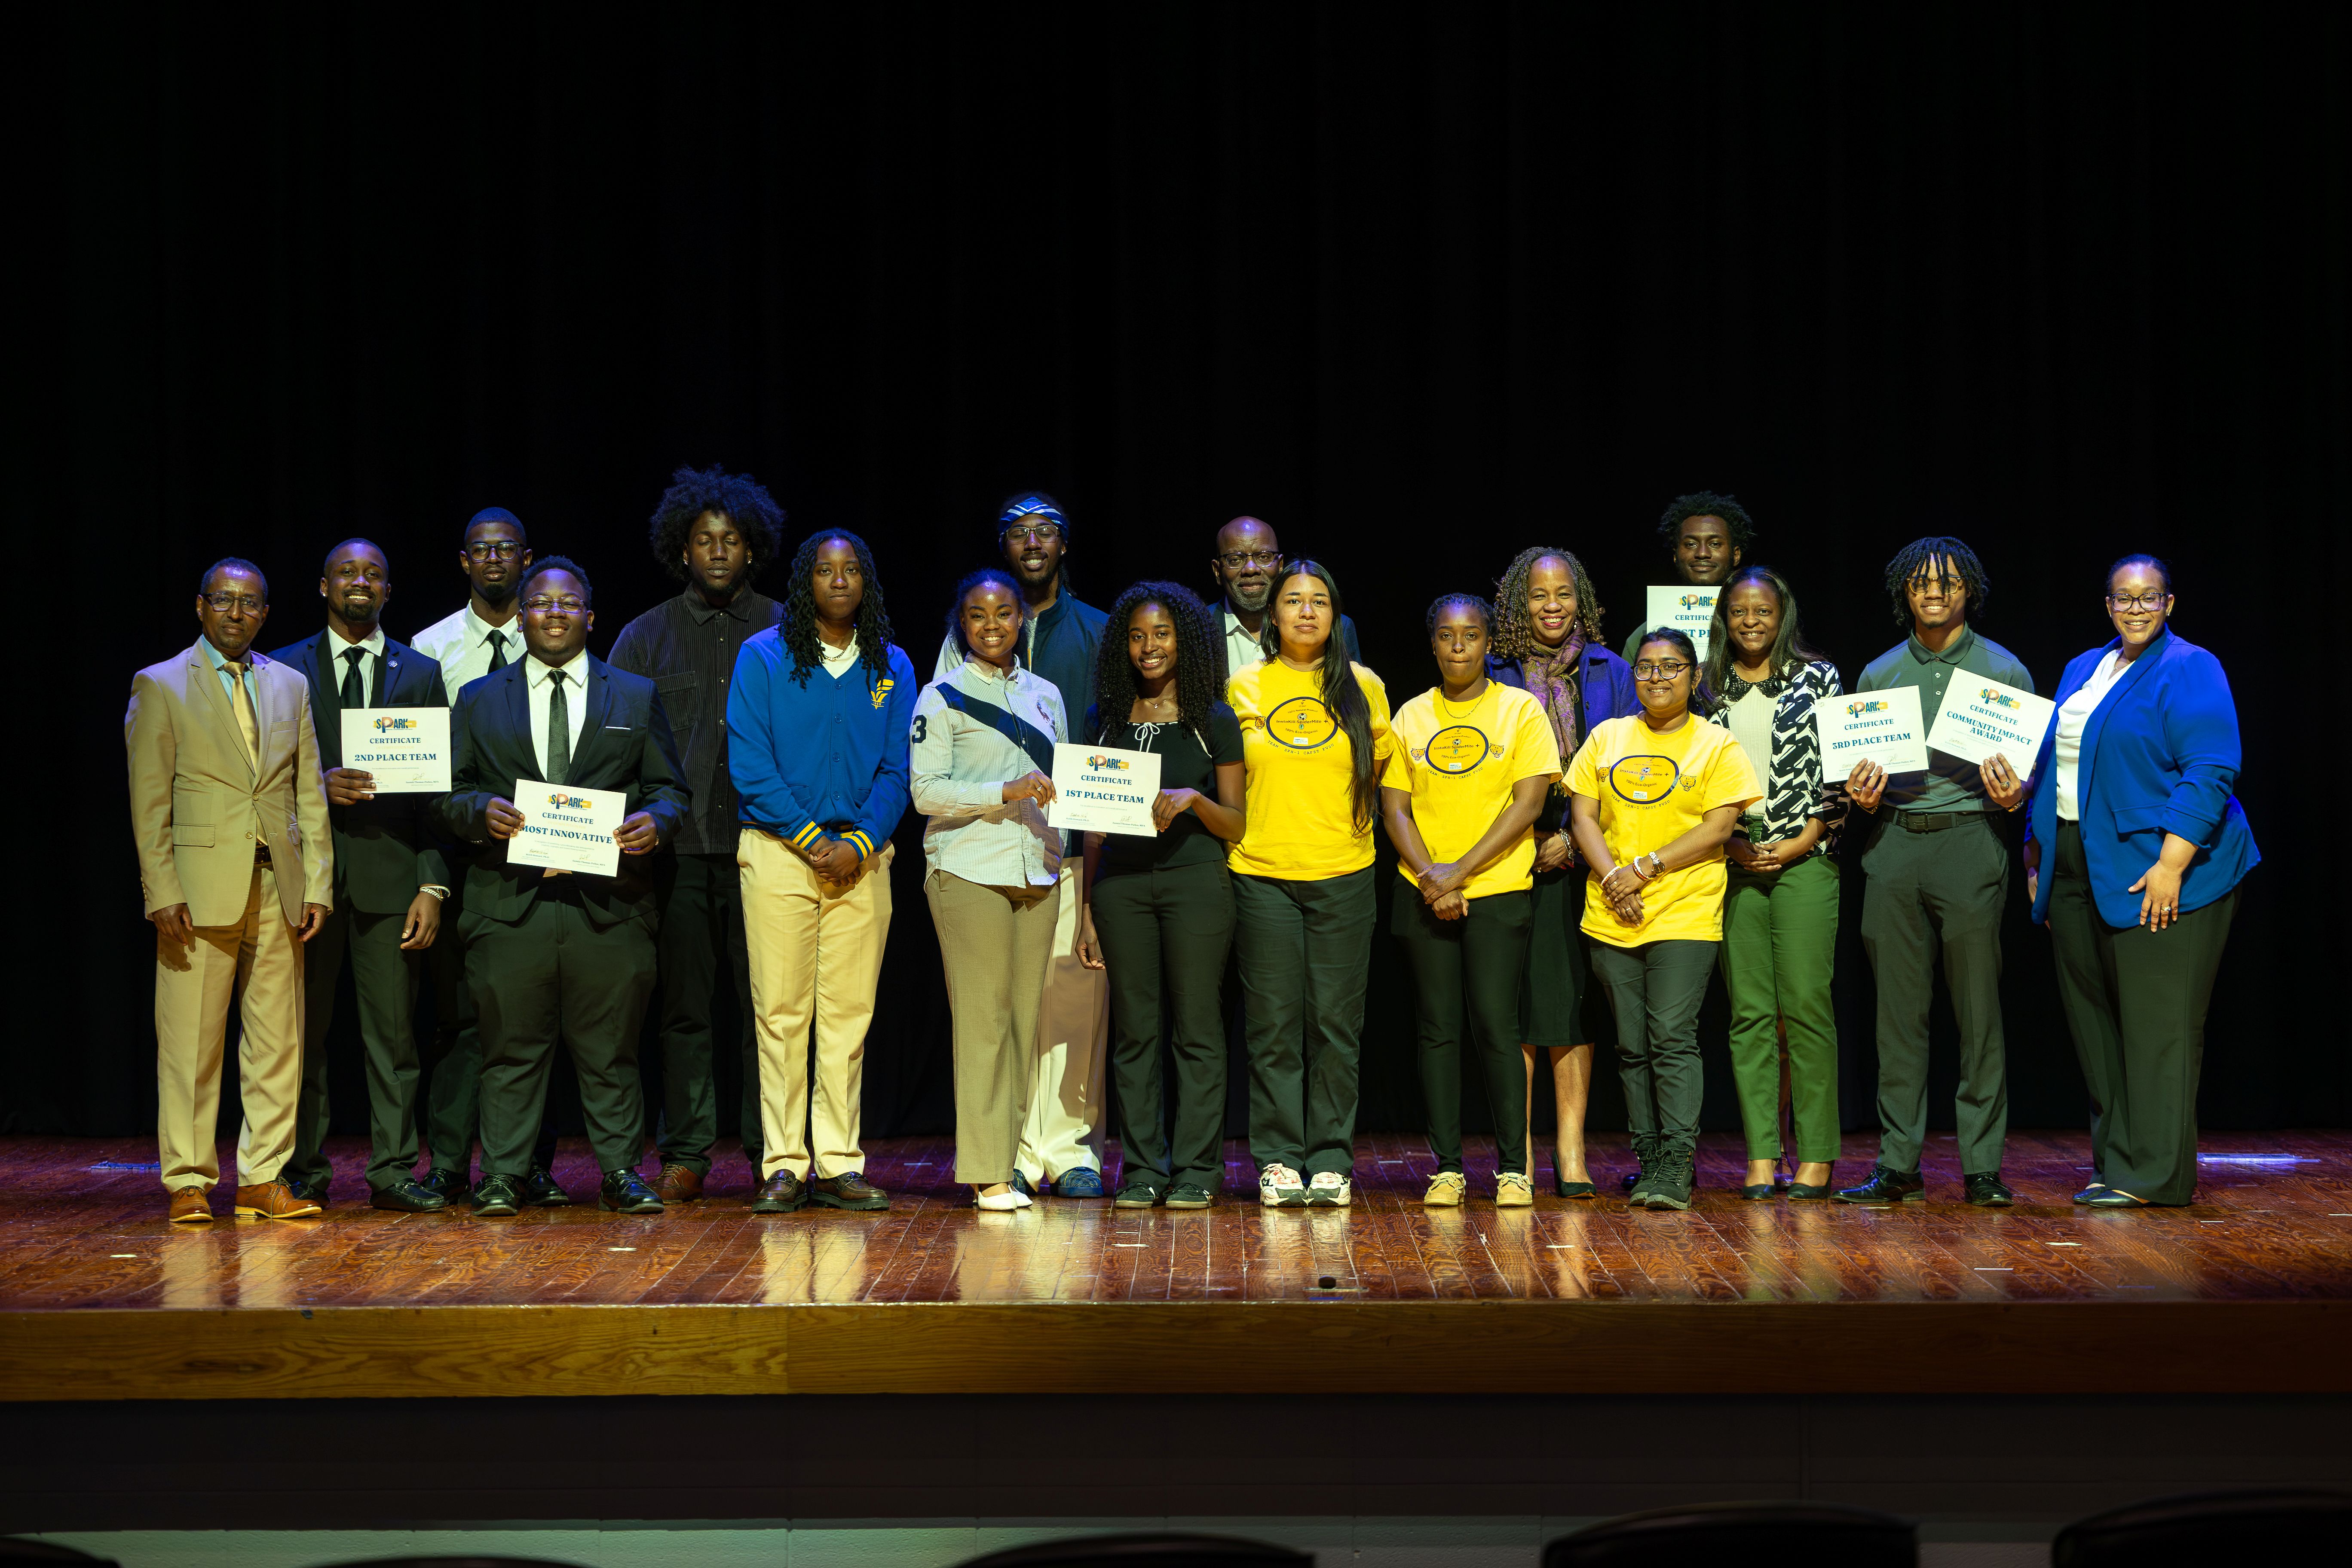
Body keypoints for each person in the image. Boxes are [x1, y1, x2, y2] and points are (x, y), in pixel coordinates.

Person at [432, 557, 689, 1217]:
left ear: (590, 616)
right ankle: (504, 1175)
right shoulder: (481, 698)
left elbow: (669, 789)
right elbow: (450, 795)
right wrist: (478, 813)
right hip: (509, 905)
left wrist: (653, 823)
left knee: (611, 1052)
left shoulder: (632, 694)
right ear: (522, 618)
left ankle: (621, 1173)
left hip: (609, 905)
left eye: (568, 603)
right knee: (509, 1051)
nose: (553, 613)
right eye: (540, 603)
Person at [1996, 554, 2255, 1208]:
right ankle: (2117, 1165)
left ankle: (2158, 1177)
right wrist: (2037, 853)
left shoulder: (2190, 666)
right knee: (2096, 1026)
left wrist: (2171, 864)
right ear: (2107, 605)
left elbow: (2212, 768)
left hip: (2163, 866)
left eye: (2149, 598)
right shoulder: (2084, 668)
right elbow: (2057, 765)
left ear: (2170, 603)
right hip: (2079, 865)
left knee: (2157, 1027)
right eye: (2123, 598)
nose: (2136, 608)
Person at [126, 558, 332, 1222]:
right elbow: (148, 799)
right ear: (201, 607)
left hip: (278, 881)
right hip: (197, 886)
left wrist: (319, 883)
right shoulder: (160, 684)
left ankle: (262, 1178)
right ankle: (188, 1180)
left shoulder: (290, 684)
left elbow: (309, 791)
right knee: (191, 1041)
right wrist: (161, 887)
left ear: (265, 613)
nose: (236, 613)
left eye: (249, 603)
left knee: (278, 1040)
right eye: (224, 600)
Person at [606, 466, 787, 1204]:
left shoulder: (784, 629)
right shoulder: (644, 635)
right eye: (704, 539)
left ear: (753, 550)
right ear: (682, 550)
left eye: (732, 540)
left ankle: (769, 1149)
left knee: (763, 1009)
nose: (717, 551)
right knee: (684, 1013)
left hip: (765, 849)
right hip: (677, 857)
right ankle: (685, 1151)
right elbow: (610, 743)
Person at [1838, 536, 2034, 1207]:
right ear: (1905, 591)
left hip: (1970, 839)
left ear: (1967, 591)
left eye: (1947, 582)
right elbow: (1858, 776)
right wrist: (1860, 798)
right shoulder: (1879, 674)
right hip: (1894, 844)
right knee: (1898, 1018)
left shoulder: (2004, 671)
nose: (1934, 590)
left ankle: (1982, 1167)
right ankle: (1899, 1164)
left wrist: (2016, 795)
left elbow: (2025, 778)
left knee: (1978, 1014)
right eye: (1921, 581)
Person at [931, 492, 1111, 1197]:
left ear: (1064, 546)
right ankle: (1004, 1149)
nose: (1033, 542)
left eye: (1046, 532)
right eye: (1019, 533)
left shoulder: (1098, 630)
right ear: (1003, 546)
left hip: (1068, 846)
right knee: (999, 1006)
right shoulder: (965, 632)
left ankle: (1068, 1149)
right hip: (986, 848)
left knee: (1071, 1004)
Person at [731, 530, 915, 1215]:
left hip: (862, 861)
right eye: (824, 570)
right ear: (804, 582)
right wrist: (812, 840)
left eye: (851, 570)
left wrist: (862, 842)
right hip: (782, 853)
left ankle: (838, 1162)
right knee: (781, 1014)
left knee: (848, 1020)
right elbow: (750, 765)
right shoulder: (764, 656)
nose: (838, 580)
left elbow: (899, 769)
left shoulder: (891, 664)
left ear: (866, 581)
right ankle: (783, 1163)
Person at [270, 539, 453, 1213]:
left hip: (391, 879)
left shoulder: (421, 671)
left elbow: (438, 792)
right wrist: (316, 786)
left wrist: (433, 884)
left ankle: (394, 1171)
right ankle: (301, 1172)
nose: (361, 581)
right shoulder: (282, 668)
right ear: (324, 586)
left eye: (374, 573)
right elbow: (261, 778)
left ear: (388, 590)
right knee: (300, 1037)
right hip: (306, 884)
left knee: (395, 1039)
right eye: (348, 571)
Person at [1565, 628, 1761, 1212]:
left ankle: (1677, 1163)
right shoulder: (1607, 737)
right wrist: (1612, 879)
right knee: (1631, 1046)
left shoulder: (1716, 745)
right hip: (1613, 912)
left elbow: (1719, 829)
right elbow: (1583, 817)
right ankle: (1649, 1161)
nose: (1657, 678)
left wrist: (1644, 868)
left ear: (1694, 678)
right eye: (1646, 669)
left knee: (1671, 1038)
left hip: (1684, 910)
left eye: (1671, 668)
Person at [1381, 594, 1561, 1208]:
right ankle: (1449, 1168)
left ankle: (1514, 1168)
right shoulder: (1410, 715)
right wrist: (1433, 877)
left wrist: (1459, 871)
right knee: (1437, 1031)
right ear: (1432, 644)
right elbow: (1395, 807)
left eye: (1473, 635)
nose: (1459, 646)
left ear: (1489, 643)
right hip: (1424, 892)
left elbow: (1529, 805)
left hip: (1497, 890)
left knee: (1495, 1027)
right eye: (1447, 636)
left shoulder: (1522, 711)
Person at [1226, 560, 1394, 1208]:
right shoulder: (1244, 685)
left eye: (1319, 601)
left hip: (1343, 874)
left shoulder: (1365, 686)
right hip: (1262, 875)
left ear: (1335, 615)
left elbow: (1380, 777)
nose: (1305, 612)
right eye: (1292, 601)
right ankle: (1278, 1158)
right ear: (1272, 615)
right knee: (1272, 1025)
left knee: (1335, 1025)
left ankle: (1329, 1158)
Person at [1073, 583, 1245, 1209]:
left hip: (1195, 883)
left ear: (1187, 642)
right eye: (1138, 636)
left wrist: (1195, 801)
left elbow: (1237, 824)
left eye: (1163, 634)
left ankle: (1198, 1168)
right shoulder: (1106, 718)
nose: (1149, 647)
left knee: (1197, 1029)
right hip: (1121, 888)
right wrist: (1089, 909)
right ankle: (1144, 1167)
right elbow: (1091, 827)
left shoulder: (1212, 720)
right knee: (1135, 1033)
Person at [409, 506, 560, 1206]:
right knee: (459, 1020)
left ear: (526, 558)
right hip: (460, 851)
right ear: (464, 561)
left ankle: (529, 1161)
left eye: (507, 548)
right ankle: (446, 1160)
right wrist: (433, 877)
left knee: (535, 1014)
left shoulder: (560, 637)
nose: (495, 558)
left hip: (546, 855)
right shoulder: (429, 648)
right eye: (481, 549)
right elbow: (423, 771)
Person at [913, 569, 1069, 1211]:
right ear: (962, 623)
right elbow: (925, 791)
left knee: (1021, 1024)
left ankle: (1007, 1163)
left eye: (1004, 613)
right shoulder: (941, 697)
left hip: (1037, 869)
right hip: (969, 869)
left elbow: (1065, 778)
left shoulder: (1047, 695)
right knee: (983, 1022)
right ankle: (986, 1172)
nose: (993, 625)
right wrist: (1001, 792)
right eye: (978, 615)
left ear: (1021, 620)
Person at [1486, 545, 1639, 1197]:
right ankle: (1516, 1152)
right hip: (1506, 857)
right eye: (1538, 595)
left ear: (1583, 600)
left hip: (1588, 858)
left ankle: (1571, 1152)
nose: (1552, 606)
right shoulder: (1491, 669)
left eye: (1564, 594)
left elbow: (1635, 771)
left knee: (1569, 1005)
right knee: (1515, 1006)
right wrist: (1532, 837)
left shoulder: (1611, 670)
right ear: (1519, 602)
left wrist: (1573, 844)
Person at [1700, 566, 1847, 1200]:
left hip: (1805, 860)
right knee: (1750, 1016)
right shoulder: (1707, 689)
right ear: (1724, 619)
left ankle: (1816, 1155)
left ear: (1782, 614)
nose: (1752, 621)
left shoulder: (1820, 678)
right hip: (1730, 864)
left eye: (1763, 611)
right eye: (1740, 612)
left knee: (1807, 1009)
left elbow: (1839, 773)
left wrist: (1802, 841)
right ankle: (1763, 1155)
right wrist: (1731, 841)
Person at [1204, 515, 1360, 680]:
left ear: (1280, 565)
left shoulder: (1336, 628)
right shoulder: (1196, 629)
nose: (1251, 569)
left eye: (1263, 557)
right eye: (1235, 559)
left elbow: (1353, 697)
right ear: (1217, 571)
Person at [1618, 492, 1755, 664]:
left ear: (1735, 555)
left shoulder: (1755, 627)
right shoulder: (1645, 636)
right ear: (1676, 555)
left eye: (1715, 544)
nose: (1702, 554)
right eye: (1691, 544)